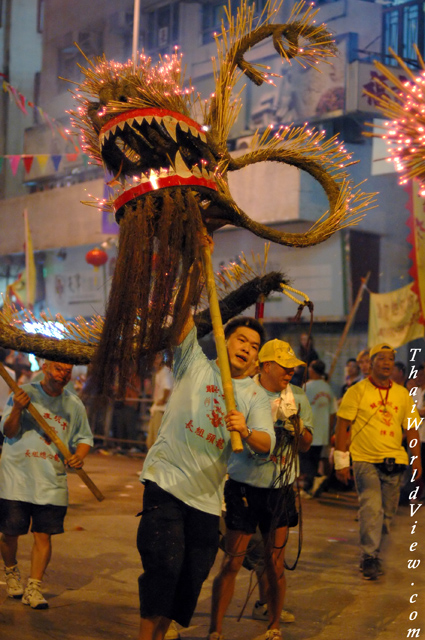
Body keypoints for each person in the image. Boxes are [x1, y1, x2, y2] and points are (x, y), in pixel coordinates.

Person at [137, 238, 275, 640]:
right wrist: (195, 263)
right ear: (223, 340)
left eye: (254, 348)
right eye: (241, 342)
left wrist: (245, 431)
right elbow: (180, 315)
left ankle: (161, 634)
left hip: (205, 497)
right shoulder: (194, 363)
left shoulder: (253, 396)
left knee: (190, 576)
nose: (247, 351)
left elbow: (265, 442)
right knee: (163, 565)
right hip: (166, 482)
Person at [208, 339, 313, 640]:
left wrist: (298, 428)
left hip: (280, 489)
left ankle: (273, 627)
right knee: (232, 560)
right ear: (266, 365)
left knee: (275, 561)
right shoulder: (241, 392)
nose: (290, 372)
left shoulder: (299, 398)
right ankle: (215, 630)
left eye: (293, 367)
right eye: (284, 366)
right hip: (243, 486)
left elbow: (305, 445)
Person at [0, 361, 93, 608]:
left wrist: (79, 456)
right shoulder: (23, 394)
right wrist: (18, 409)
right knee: (9, 534)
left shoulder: (74, 405)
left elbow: (84, 438)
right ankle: (11, 571)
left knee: (44, 536)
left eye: (67, 371)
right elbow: (8, 432)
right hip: (16, 478)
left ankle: (34, 587)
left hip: (51, 481)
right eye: (58, 369)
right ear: (45, 367)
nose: (63, 375)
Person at [335, 343, 422, 580]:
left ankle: (373, 548)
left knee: (387, 514)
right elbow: (342, 425)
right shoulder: (357, 391)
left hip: (395, 461)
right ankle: (369, 557)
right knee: (371, 507)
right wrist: (341, 461)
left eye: (390, 359)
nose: (386, 363)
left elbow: (412, 429)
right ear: (371, 363)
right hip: (365, 459)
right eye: (381, 358)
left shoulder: (402, 394)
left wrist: (417, 461)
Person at [300, 359, 336, 496]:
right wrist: (329, 430)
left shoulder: (307, 387)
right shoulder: (327, 388)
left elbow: (300, 409)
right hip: (322, 431)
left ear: (312, 370)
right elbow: (333, 412)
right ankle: (312, 485)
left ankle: (313, 482)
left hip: (309, 430)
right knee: (314, 459)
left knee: (305, 459)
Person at [146, 352, 173, 449]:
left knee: (155, 441)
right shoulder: (160, 372)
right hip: (158, 408)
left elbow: (167, 388)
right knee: (151, 441)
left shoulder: (164, 372)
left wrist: (163, 400)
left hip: (161, 409)